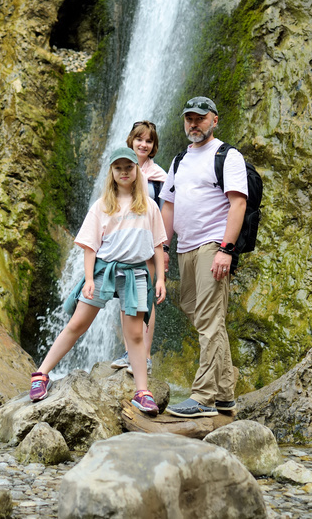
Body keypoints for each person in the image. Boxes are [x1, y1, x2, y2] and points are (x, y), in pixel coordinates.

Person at [30, 147, 167, 416]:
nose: (124, 172)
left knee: (136, 334)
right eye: (118, 168)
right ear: (112, 173)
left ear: (137, 170)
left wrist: (160, 278)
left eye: (129, 167)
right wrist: (89, 279)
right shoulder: (102, 205)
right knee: (78, 323)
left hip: (136, 272)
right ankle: (41, 374)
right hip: (104, 270)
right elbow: (90, 247)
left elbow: (159, 245)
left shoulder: (149, 206)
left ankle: (142, 391)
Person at [160, 96, 247, 418]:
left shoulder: (228, 156)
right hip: (185, 247)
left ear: (214, 120)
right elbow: (168, 205)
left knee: (210, 320)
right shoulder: (180, 159)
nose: (194, 124)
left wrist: (226, 249)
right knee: (195, 311)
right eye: (189, 118)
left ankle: (203, 397)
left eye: (200, 118)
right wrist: (164, 248)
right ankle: (225, 393)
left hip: (213, 244)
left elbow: (237, 204)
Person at [111, 121, 167, 374]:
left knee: (145, 298)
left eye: (148, 141)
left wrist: (164, 250)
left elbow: (165, 217)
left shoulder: (159, 179)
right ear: (131, 141)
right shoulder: (121, 171)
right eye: (139, 139)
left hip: (147, 247)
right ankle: (128, 352)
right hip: (123, 245)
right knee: (125, 297)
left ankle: (144, 355)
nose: (143, 144)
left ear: (153, 146)